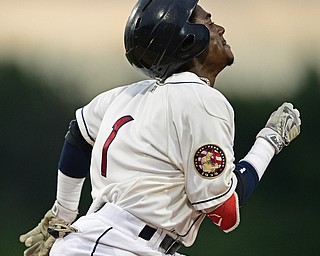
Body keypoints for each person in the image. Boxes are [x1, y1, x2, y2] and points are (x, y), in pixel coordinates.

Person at [19, 0, 301, 255]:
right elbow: (224, 212)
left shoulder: (123, 96)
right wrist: (269, 141)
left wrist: (64, 214)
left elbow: (78, 136)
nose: (221, 28)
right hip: (113, 245)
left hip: (118, 241)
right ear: (188, 39)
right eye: (209, 23)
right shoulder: (202, 99)